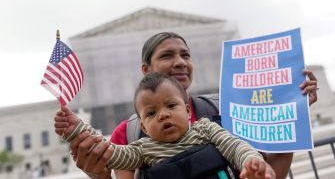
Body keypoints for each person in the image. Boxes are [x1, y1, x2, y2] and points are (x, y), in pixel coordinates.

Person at [66, 32, 318, 179]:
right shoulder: (128, 134)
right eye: (167, 56)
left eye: (185, 55)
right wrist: (99, 175)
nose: (180, 62)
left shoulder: (225, 110)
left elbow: (270, 171)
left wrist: (292, 107)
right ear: (145, 70)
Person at [55, 72, 276, 179]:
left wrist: (251, 162)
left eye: (171, 105)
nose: (163, 115)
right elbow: (109, 152)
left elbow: (235, 146)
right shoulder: (142, 148)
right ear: (143, 124)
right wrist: (77, 129)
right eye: (151, 113)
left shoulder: (206, 129)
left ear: (188, 111)